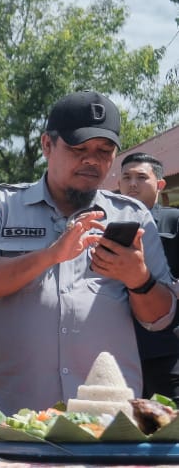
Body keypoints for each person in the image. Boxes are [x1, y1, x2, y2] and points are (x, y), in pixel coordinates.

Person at [0, 91, 176, 415]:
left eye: (104, 152)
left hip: (108, 418)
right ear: (48, 145)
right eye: (79, 149)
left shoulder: (131, 215)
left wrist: (139, 280)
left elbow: (161, 319)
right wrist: (49, 256)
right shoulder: (1, 204)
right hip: (21, 417)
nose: (92, 160)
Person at [119, 152, 179, 398]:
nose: (132, 183)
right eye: (126, 177)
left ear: (160, 184)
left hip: (167, 347)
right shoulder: (106, 223)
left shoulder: (173, 221)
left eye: (141, 177)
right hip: (119, 348)